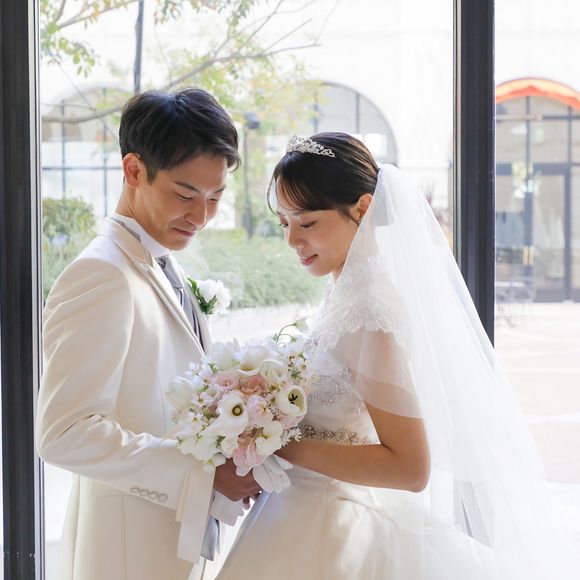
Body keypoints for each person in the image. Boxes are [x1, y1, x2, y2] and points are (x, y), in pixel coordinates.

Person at [215, 132, 580, 579]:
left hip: (333, 528)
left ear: (363, 209)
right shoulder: (343, 293)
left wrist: (277, 442)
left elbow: (410, 468)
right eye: (283, 223)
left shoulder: (369, 312)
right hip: (300, 512)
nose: (292, 239)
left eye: (306, 223)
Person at [36, 88, 261, 580]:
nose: (201, 216)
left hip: (170, 547)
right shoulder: (102, 274)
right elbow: (64, 434)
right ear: (134, 170)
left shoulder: (160, 262)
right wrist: (202, 474)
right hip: (127, 554)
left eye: (216, 197)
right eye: (185, 195)